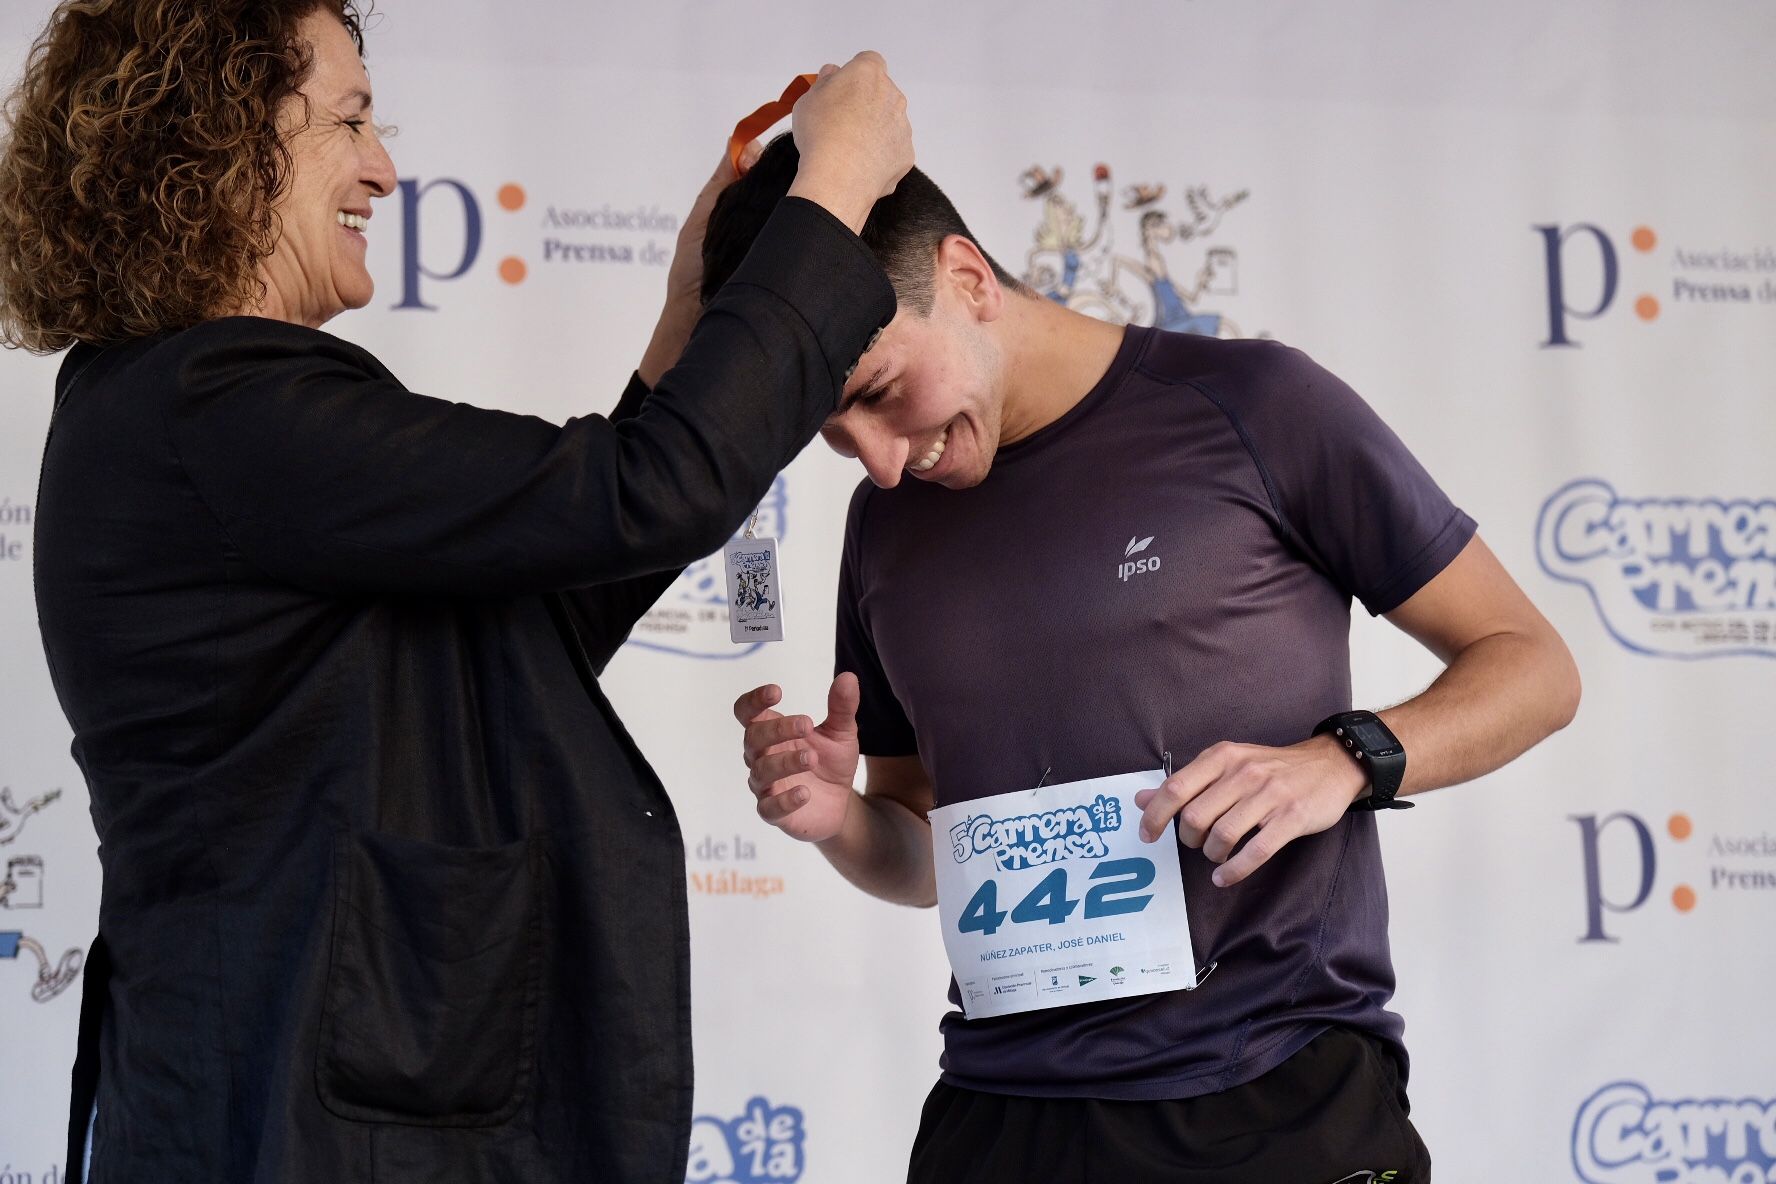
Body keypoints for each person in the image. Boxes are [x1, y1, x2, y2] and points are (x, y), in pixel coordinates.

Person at [0, 2, 912, 1179]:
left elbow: (540, 611)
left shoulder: (180, 413)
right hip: (302, 1129)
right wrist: (831, 189)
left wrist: (694, 314)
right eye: (350, 119)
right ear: (214, 147)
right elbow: (653, 489)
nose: (384, 168)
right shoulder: (213, 405)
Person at [710, 135, 1581, 1182]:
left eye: (884, 392)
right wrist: (842, 818)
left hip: (1272, 1097)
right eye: (838, 437)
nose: (885, 460)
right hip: (1000, 1119)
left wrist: (1345, 758)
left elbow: (1532, 664)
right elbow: (926, 839)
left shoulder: (1258, 408)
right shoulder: (885, 526)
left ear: (968, 277)